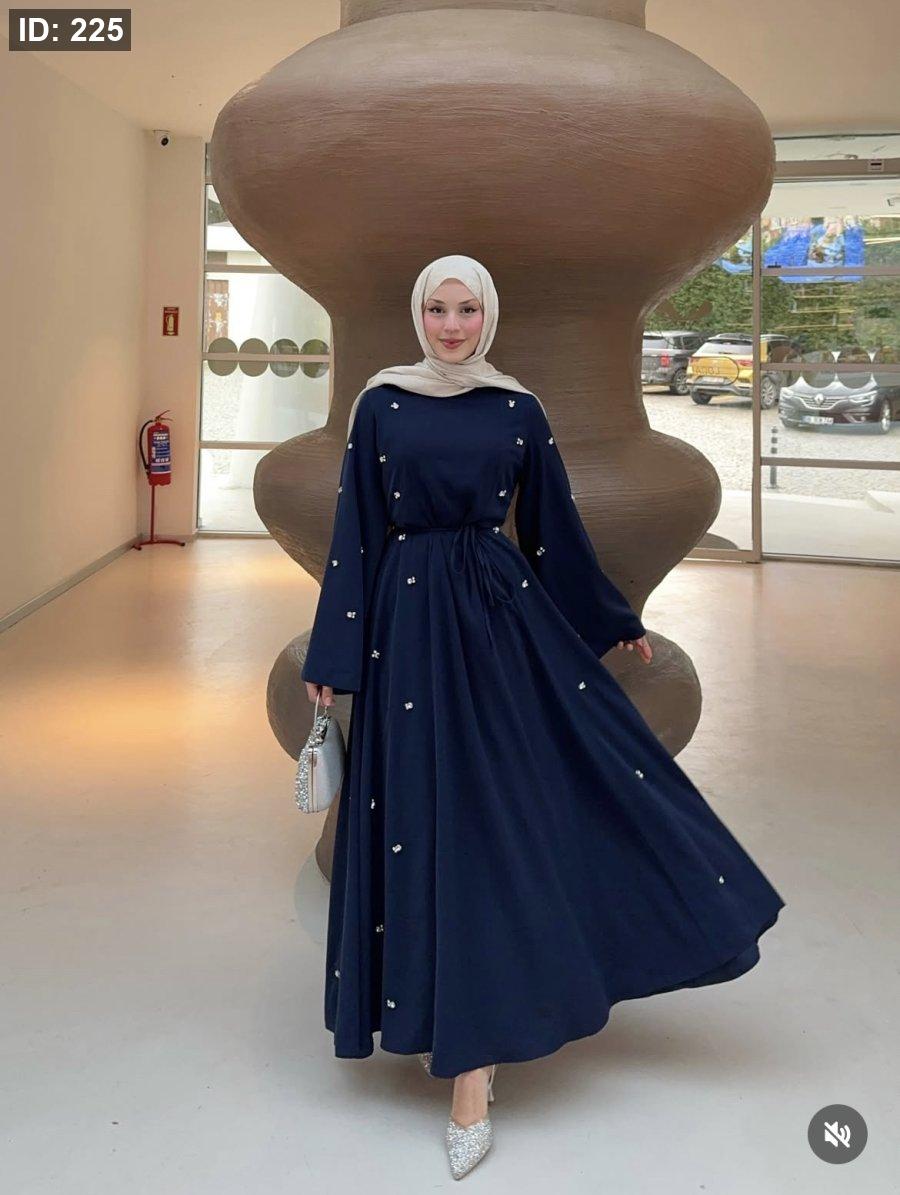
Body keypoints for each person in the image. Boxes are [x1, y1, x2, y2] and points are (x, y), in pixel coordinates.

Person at [301, 254, 785, 1180]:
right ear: (418, 314)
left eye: (466, 309)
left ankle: (474, 1068)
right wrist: (333, 655)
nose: (451, 326)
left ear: (488, 314)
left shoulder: (516, 407)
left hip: (497, 621)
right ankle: (438, 1014)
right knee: (422, 819)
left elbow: (554, 529)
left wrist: (611, 618)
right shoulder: (382, 404)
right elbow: (354, 534)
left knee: (493, 821)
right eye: (437, 309)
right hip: (405, 627)